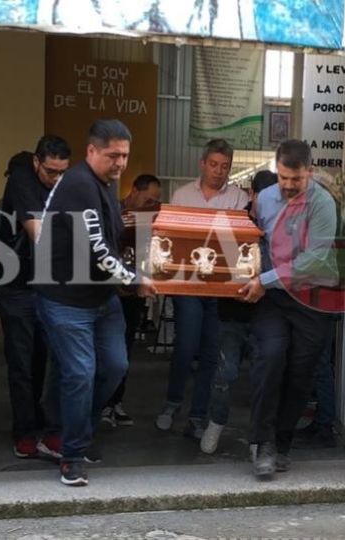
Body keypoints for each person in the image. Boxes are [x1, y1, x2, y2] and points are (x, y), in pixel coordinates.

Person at [33, 119, 155, 486]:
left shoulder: (104, 184)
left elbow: (110, 242)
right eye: (113, 155)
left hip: (100, 298)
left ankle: (70, 430)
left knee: (114, 367)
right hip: (64, 299)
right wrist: (134, 280)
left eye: (125, 156)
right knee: (80, 373)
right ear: (91, 151)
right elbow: (98, 250)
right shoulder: (80, 184)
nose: (120, 163)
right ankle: (71, 454)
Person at [239, 139, 338, 478]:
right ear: (276, 170)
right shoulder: (265, 199)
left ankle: (282, 444)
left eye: (297, 179)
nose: (289, 185)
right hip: (275, 299)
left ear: (310, 172)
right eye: (283, 177)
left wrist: (264, 280)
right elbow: (256, 242)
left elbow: (314, 260)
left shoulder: (323, 204)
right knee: (270, 358)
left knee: (300, 373)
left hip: (313, 297)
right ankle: (263, 444)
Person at [156, 139, 250, 439]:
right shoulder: (182, 194)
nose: (218, 171)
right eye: (213, 164)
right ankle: (172, 403)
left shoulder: (239, 198)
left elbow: (241, 240)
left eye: (224, 166)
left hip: (222, 287)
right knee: (186, 346)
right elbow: (170, 236)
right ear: (202, 164)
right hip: (188, 283)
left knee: (211, 351)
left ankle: (197, 415)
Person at [0, 137, 70, 460]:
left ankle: (42, 427)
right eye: (51, 171)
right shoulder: (21, 180)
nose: (56, 178)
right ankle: (25, 433)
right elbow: (39, 234)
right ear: (36, 162)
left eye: (62, 172)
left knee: (43, 362)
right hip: (17, 288)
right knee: (22, 365)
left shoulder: (59, 184)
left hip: (45, 287)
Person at [200, 170, 278, 455]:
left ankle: (258, 438)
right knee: (226, 373)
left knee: (263, 378)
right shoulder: (233, 222)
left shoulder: (281, 225)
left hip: (267, 314)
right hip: (232, 311)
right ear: (252, 194)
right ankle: (216, 422)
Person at [102, 173, 163, 427]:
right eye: (148, 200)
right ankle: (101, 403)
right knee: (105, 350)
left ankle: (115, 401)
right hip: (109, 291)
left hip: (134, 292)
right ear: (134, 191)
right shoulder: (112, 212)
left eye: (155, 202)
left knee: (125, 349)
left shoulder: (151, 220)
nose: (152, 205)